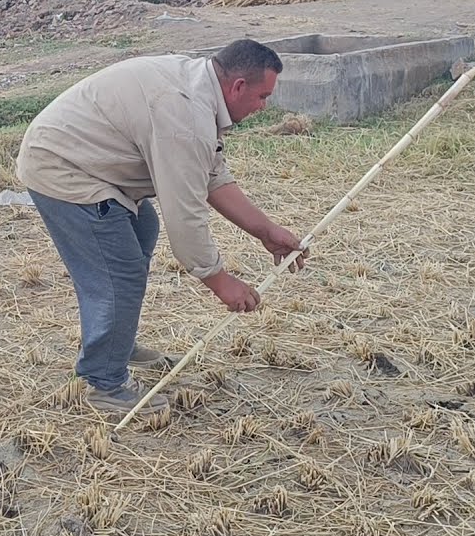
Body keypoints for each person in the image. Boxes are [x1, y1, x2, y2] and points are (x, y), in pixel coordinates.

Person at [15, 38, 308, 415]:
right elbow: (185, 216)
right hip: (63, 167)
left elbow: (212, 178)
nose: (264, 106)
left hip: (91, 164)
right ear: (237, 86)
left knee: (141, 232)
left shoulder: (199, 90)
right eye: (262, 96)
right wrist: (221, 282)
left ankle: (113, 343)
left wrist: (266, 231)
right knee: (118, 271)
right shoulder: (185, 118)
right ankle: (105, 382)